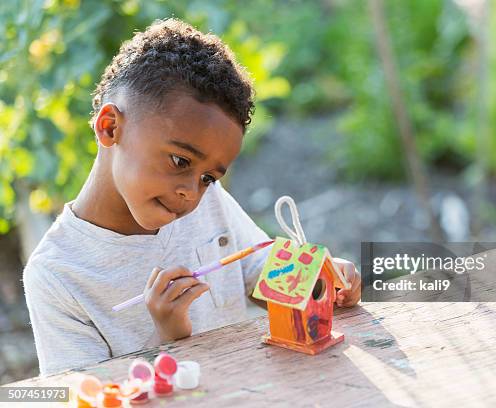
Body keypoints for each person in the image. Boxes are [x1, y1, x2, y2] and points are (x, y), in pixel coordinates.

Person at [22, 18, 361, 376]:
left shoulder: (209, 203)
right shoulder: (57, 276)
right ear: (110, 127)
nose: (191, 192)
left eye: (208, 177)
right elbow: (82, 396)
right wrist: (167, 339)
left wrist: (317, 284)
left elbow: (262, 277)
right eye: (179, 161)